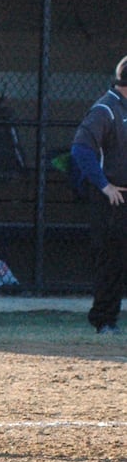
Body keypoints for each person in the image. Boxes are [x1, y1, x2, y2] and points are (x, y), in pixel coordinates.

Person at [71, 55, 127, 336]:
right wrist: (105, 186)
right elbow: (81, 149)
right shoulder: (105, 109)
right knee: (111, 259)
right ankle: (104, 319)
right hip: (112, 199)